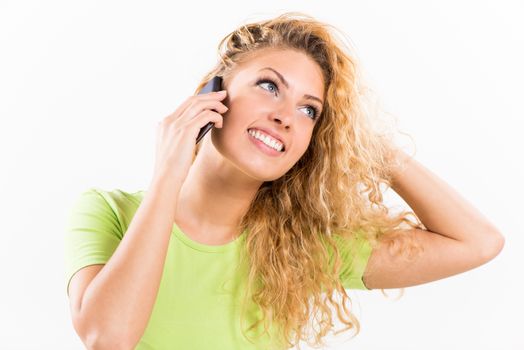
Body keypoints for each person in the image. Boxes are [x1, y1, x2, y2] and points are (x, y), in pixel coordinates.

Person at [64, 12, 505, 350]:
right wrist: (168, 173)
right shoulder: (108, 211)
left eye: (309, 110)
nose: (285, 117)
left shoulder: (298, 246)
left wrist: (368, 150)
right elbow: (108, 337)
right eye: (269, 86)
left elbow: (478, 243)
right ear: (213, 91)